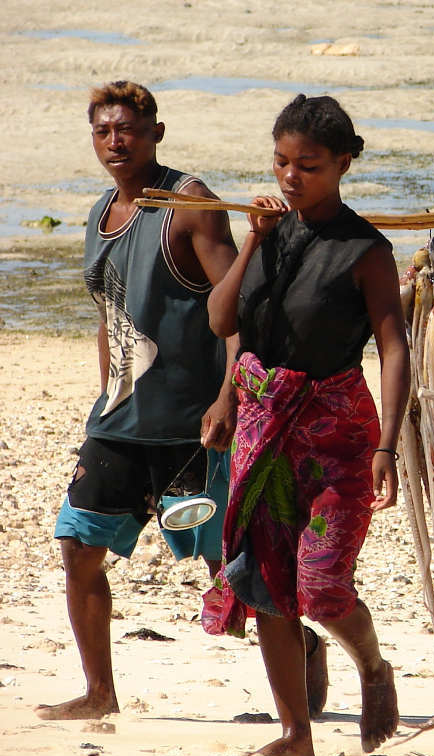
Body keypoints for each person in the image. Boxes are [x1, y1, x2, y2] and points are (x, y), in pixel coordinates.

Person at [204, 94, 409, 756]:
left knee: (320, 586)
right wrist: (257, 240)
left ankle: (373, 666)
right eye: (282, 161)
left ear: (344, 164)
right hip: (263, 431)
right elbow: (224, 322)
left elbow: (394, 348)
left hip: (338, 438)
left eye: (310, 165)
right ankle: (296, 735)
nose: (291, 177)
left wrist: (387, 446)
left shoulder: (365, 250)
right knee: (265, 585)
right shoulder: (269, 233)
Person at [36, 80, 247, 721]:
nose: (114, 141)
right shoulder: (103, 212)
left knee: (230, 569)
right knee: (78, 547)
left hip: (193, 425)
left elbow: (239, 312)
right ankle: (99, 693)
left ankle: (309, 655)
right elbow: (110, 315)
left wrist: (228, 400)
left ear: (155, 131)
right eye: (102, 131)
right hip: (120, 424)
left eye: (126, 128)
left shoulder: (191, 204)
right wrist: (105, 398)